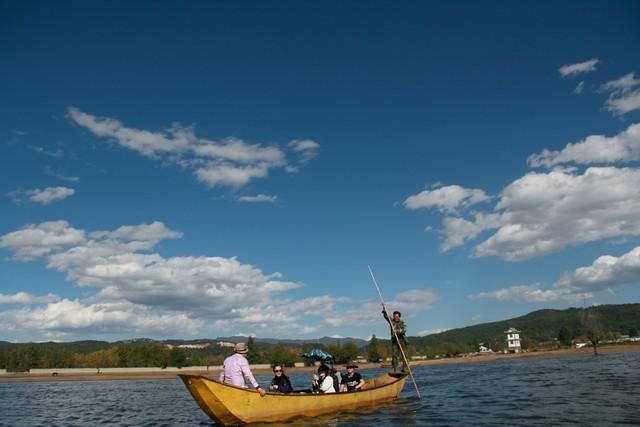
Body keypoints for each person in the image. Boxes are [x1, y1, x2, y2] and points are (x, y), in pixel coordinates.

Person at [382, 305, 408, 373]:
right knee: (394, 355)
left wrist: (397, 331)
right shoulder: (392, 322)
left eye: (397, 316)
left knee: (404, 355)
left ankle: (405, 368)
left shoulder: (402, 323)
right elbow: (386, 316)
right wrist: (384, 310)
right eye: (394, 316)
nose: (395, 317)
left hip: (401, 340)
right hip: (394, 341)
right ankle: (395, 368)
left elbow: (404, 330)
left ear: (399, 317)